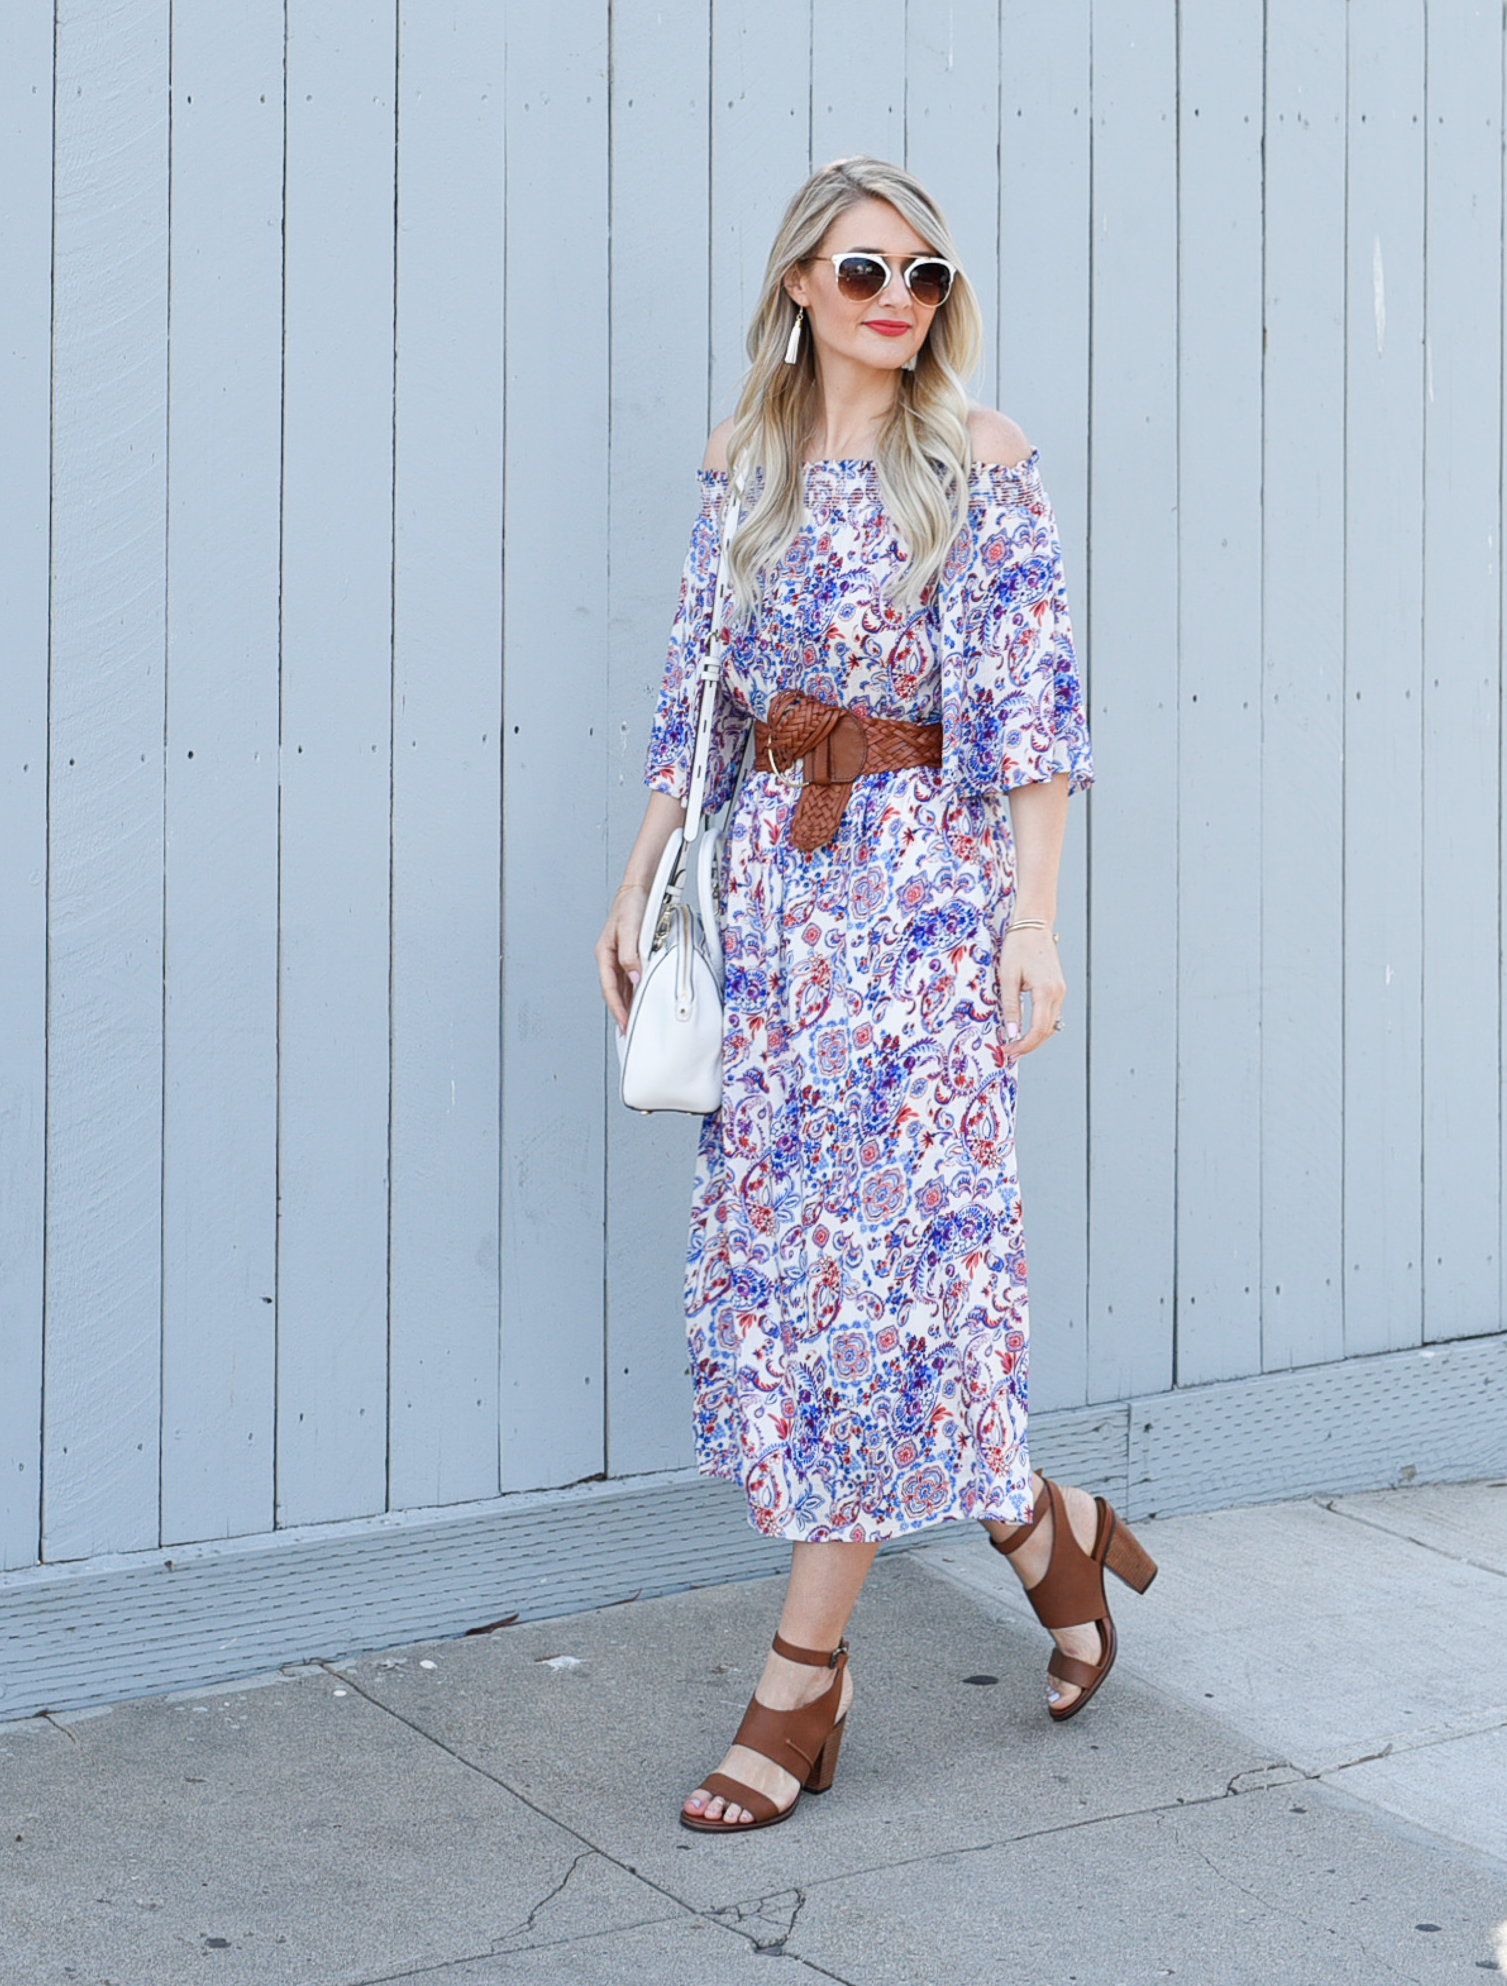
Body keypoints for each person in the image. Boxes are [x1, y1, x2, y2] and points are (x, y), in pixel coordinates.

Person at [594, 157, 1157, 1834]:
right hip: (772, 912)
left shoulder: (979, 471)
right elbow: (695, 703)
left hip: (916, 912)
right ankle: (1048, 1532)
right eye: (863, 272)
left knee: (892, 1276)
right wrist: (637, 880)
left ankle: (798, 1687)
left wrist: (1034, 925)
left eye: (924, 273)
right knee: (813, 1277)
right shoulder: (743, 470)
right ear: (799, 289)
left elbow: (1032, 722)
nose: (899, 300)